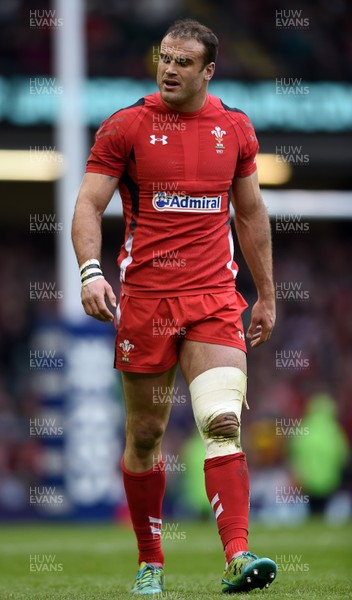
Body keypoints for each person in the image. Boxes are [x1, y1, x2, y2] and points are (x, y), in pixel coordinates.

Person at [72, 18, 277, 595]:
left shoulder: (235, 129)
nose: (168, 68)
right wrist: (90, 271)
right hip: (145, 301)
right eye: (164, 57)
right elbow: (88, 206)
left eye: (183, 61)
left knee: (222, 420)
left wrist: (266, 294)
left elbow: (252, 212)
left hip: (214, 297)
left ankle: (238, 556)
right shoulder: (126, 126)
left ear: (208, 70)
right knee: (144, 434)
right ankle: (151, 562)